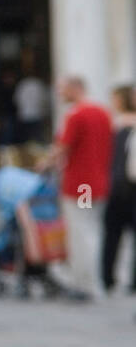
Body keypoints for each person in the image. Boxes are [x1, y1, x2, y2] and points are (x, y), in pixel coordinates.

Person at [38, 75, 112, 300]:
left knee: (83, 232)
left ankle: (87, 283)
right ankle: (90, 280)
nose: (60, 94)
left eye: (63, 89)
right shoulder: (102, 112)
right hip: (98, 182)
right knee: (92, 230)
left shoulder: (76, 115)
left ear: (75, 88)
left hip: (81, 184)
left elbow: (62, 146)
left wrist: (44, 164)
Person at [101, 84, 136, 295]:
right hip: (123, 188)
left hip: (120, 187)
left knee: (112, 235)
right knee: (116, 235)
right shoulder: (116, 124)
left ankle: (112, 279)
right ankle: (117, 279)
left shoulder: (115, 124)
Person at [14, 72, 48, 145]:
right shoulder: (39, 84)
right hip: (37, 114)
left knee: (25, 137)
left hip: (24, 115)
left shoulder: (22, 84)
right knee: (37, 136)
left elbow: (16, 99)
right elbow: (44, 99)